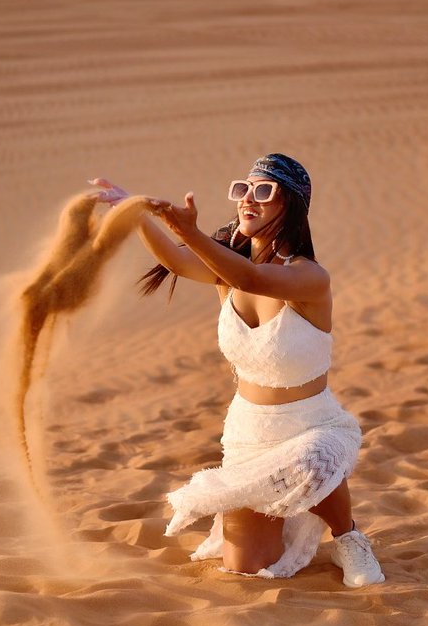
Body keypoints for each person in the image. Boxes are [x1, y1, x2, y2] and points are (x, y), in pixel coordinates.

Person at [89, 154, 384, 587]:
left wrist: (188, 230)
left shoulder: (308, 278)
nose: (248, 199)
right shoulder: (226, 270)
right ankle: (290, 514)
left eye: (264, 191)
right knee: (247, 567)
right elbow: (175, 260)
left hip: (312, 425)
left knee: (312, 460)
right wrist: (132, 211)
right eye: (242, 189)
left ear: (292, 206)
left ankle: (348, 537)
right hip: (250, 434)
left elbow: (253, 279)